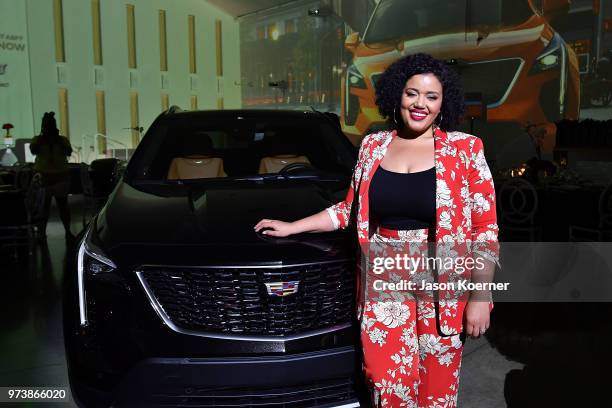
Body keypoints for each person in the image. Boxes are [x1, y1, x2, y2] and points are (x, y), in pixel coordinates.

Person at [255, 53, 500, 406]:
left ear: (444, 103)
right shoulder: (373, 146)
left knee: (437, 392)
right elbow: (350, 210)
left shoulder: (465, 149)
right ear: (396, 95)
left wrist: (480, 296)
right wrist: (294, 226)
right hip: (383, 276)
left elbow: (484, 228)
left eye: (431, 97)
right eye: (412, 93)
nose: (420, 104)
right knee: (388, 384)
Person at [30, 112, 74, 239]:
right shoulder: (38, 139)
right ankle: (43, 233)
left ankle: (65, 231)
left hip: (58, 177)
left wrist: (57, 141)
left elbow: (68, 152)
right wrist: (44, 139)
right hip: (46, 177)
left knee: (62, 206)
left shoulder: (61, 140)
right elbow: (33, 150)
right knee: (46, 207)